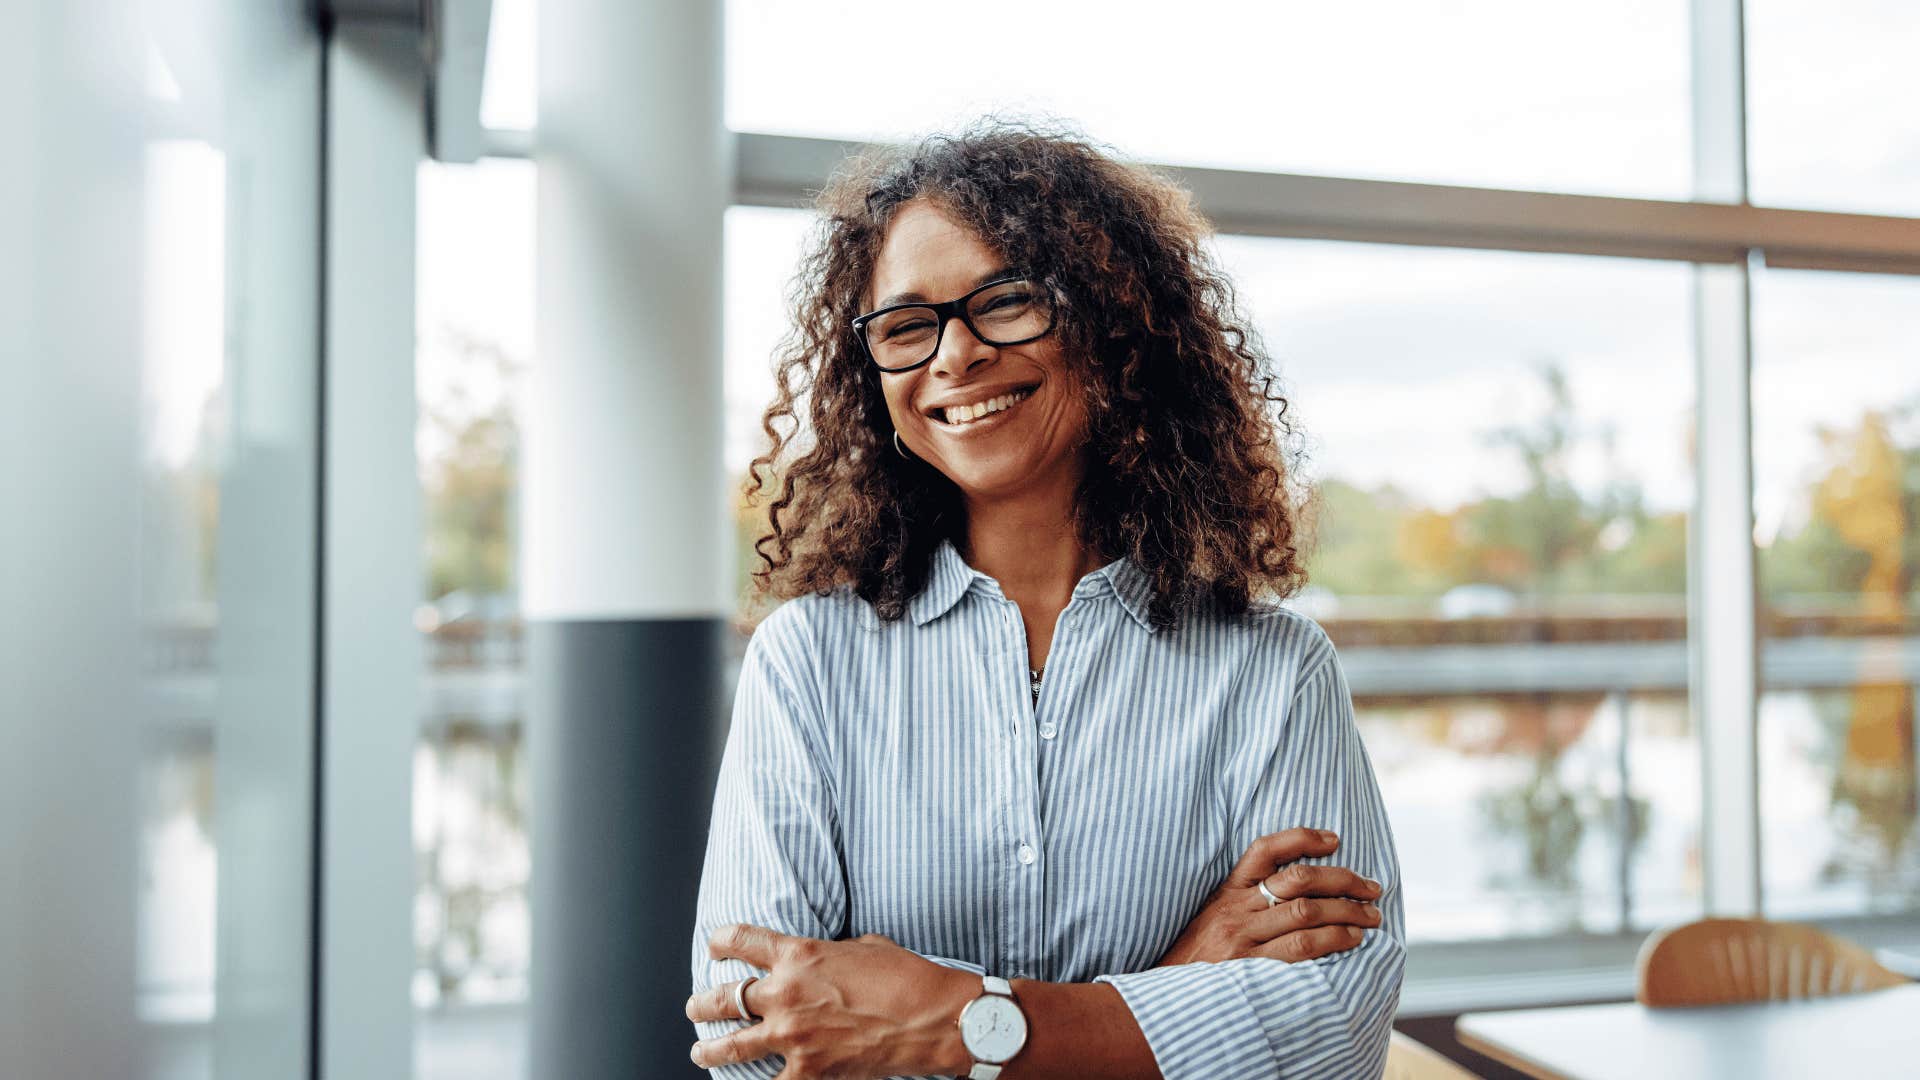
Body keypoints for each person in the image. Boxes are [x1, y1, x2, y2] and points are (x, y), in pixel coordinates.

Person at [684, 122, 1404, 1079]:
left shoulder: (1273, 671)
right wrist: (1175, 985)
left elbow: (1331, 1031)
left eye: (1007, 301)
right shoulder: (807, 662)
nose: (955, 356)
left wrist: (954, 1025)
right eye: (906, 325)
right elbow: (752, 1050)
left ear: (1112, 327)